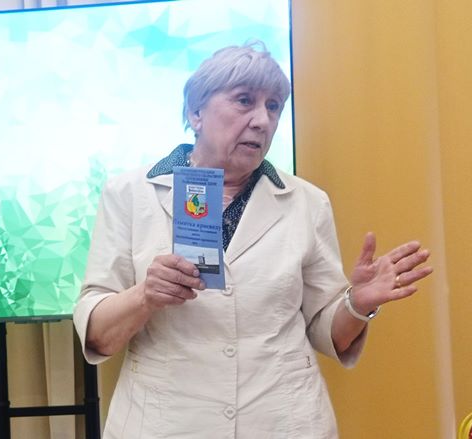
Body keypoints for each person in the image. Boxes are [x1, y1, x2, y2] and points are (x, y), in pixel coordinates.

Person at [73, 41, 433, 438]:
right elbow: (98, 334)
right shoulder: (129, 194)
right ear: (195, 113)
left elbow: (326, 331)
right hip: (167, 423)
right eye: (244, 100)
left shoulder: (308, 202)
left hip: (283, 422)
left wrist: (357, 303)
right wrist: (145, 295)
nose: (263, 120)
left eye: (273, 106)